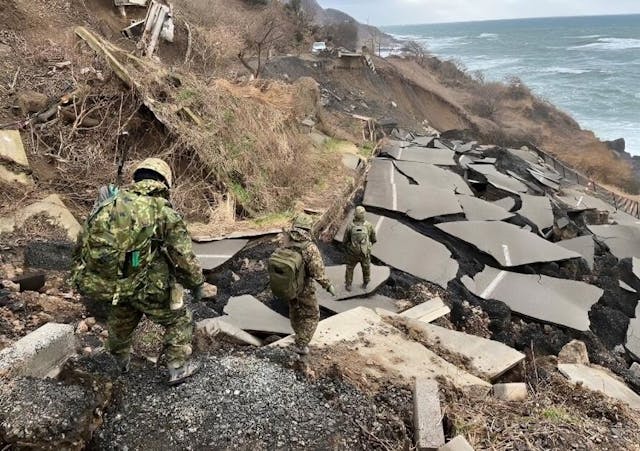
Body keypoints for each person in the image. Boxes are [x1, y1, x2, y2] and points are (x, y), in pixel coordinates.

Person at [72, 158, 204, 385]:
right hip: (149, 286)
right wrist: (197, 283)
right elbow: (183, 256)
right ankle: (177, 368)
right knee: (179, 320)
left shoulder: (110, 204)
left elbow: (81, 243)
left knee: (120, 324)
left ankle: (117, 365)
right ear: (164, 182)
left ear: (136, 179)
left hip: (116, 285)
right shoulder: (163, 211)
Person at [271, 214, 336, 355]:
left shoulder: (285, 240)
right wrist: (328, 286)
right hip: (304, 288)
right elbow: (317, 271)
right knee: (312, 315)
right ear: (309, 228)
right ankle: (301, 344)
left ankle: (298, 334)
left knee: (294, 311)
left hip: (288, 286)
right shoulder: (309, 248)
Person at [343, 206, 377, 291]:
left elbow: (345, 240)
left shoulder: (350, 226)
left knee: (350, 267)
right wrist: (367, 246)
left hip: (353, 253)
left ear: (355, 215)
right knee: (366, 267)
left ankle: (348, 285)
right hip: (365, 252)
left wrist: (349, 247)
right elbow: (374, 239)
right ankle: (365, 282)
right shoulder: (369, 225)